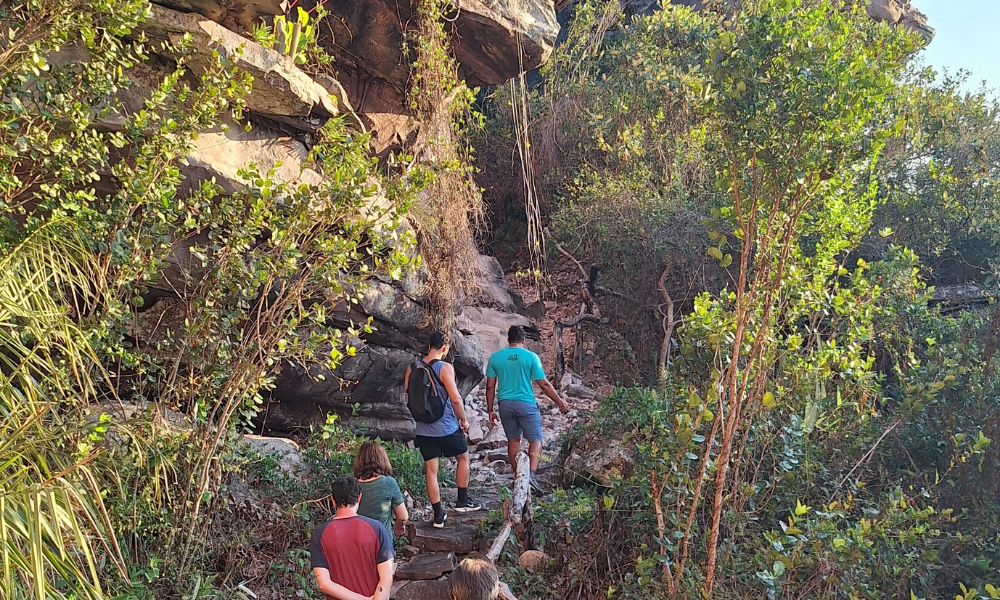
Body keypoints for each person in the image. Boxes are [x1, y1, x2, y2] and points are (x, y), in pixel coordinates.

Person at [404, 331, 483, 528]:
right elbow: (456, 399)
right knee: (463, 457)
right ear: (445, 349)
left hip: (423, 429)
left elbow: (407, 397)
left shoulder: (412, 368)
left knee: (431, 471)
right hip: (446, 427)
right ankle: (462, 501)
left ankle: (438, 515)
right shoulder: (444, 367)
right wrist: (463, 420)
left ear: (429, 345)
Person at [486, 325, 569, 491]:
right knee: (536, 439)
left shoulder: (495, 358)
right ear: (523, 341)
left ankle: (519, 476)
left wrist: (490, 410)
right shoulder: (531, 357)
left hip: (505, 404)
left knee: (513, 440)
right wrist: (560, 403)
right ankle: (530, 474)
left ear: (508, 340)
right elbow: (544, 384)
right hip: (526, 404)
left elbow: (490, 387)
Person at [310, 476, 394, 600]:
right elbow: (386, 577)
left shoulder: (319, 534)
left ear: (333, 500)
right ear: (359, 497)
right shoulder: (376, 528)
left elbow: (324, 584)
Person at [353, 440, 409, 535]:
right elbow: (403, 517)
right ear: (382, 459)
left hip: (359, 543)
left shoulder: (353, 485)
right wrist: (398, 526)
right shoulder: (389, 483)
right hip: (383, 542)